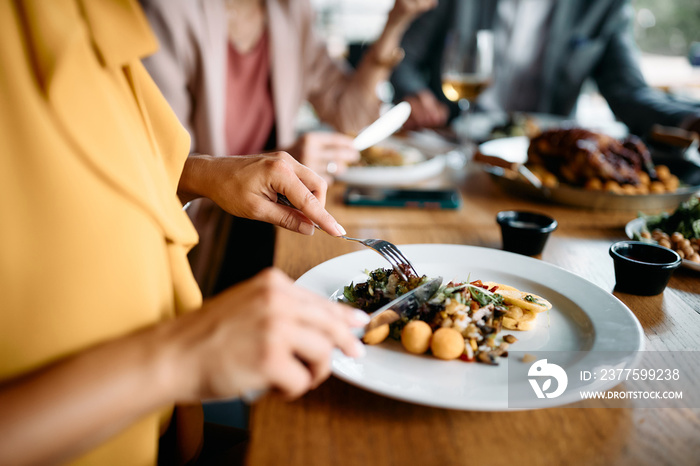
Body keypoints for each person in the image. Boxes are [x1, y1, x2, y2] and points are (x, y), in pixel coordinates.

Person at [0, 1, 368, 464]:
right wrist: (183, 354)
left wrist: (201, 175)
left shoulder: (98, 19)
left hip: (174, 433)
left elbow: (102, 180)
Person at [140, 0, 436, 297]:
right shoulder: (168, 11)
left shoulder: (291, 11)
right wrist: (277, 162)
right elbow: (157, 165)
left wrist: (396, 21)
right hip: (199, 244)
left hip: (267, 229)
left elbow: (351, 115)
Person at [390, 0, 700, 138]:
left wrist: (689, 121)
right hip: (455, 144)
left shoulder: (603, 4)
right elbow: (401, 54)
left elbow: (628, 91)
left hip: (544, 158)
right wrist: (413, 92)